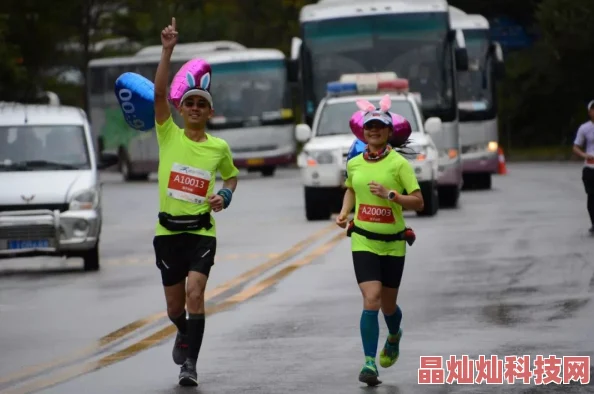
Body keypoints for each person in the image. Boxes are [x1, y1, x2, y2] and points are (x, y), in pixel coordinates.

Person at [153, 17, 239, 387]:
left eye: (201, 104)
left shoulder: (219, 147)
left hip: (202, 233)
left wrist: (225, 194)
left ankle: (190, 365)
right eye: (189, 103)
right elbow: (158, 95)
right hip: (167, 232)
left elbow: (232, 175)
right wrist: (168, 50)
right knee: (175, 309)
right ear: (181, 108)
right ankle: (183, 331)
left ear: (209, 113)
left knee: (195, 293)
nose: (194, 108)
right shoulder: (168, 134)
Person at [336, 100, 424, 386]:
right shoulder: (354, 162)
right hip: (364, 240)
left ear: (388, 133)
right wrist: (344, 212)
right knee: (371, 298)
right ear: (363, 132)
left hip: (393, 243)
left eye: (380, 127)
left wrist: (392, 195)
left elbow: (419, 202)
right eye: (369, 126)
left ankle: (395, 335)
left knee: (388, 305)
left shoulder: (399, 164)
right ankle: (370, 363)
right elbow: (351, 188)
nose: (374, 131)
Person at [572, 100, 594, 234]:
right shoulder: (584, 128)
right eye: (593, 109)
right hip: (590, 166)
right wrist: (584, 155)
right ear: (589, 112)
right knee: (592, 196)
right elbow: (576, 147)